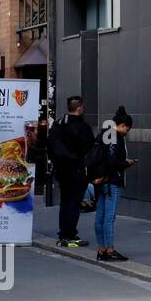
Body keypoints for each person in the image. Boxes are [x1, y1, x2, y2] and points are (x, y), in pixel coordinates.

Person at [47, 95, 94, 248]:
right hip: (76, 170)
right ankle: (70, 235)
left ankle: (63, 234)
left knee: (65, 202)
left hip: (62, 170)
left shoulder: (58, 124)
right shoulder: (82, 127)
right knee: (74, 203)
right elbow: (89, 150)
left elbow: (51, 146)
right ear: (79, 108)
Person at [91, 106, 137, 262]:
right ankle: (110, 250)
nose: (126, 132)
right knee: (109, 218)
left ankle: (101, 249)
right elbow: (112, 162)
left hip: (100, 180)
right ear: (123, 126)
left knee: (100, 216)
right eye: (127, 129)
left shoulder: (103, 134)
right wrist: (126, 163)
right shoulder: (114, 137)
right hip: (111, 181)